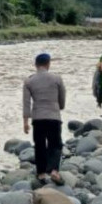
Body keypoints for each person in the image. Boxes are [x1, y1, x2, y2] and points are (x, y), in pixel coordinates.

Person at [22, 53, 66, 185]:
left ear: (35, 65)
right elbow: (62, 98)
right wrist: (60, 107)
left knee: (39, 145)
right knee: (56, 144)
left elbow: (26, 103)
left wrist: (25, 122)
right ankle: (54, 170)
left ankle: (41, 174)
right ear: (48, 64)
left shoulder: (29, 81)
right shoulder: (57, 78)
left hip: (38, 117)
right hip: (53, 116)